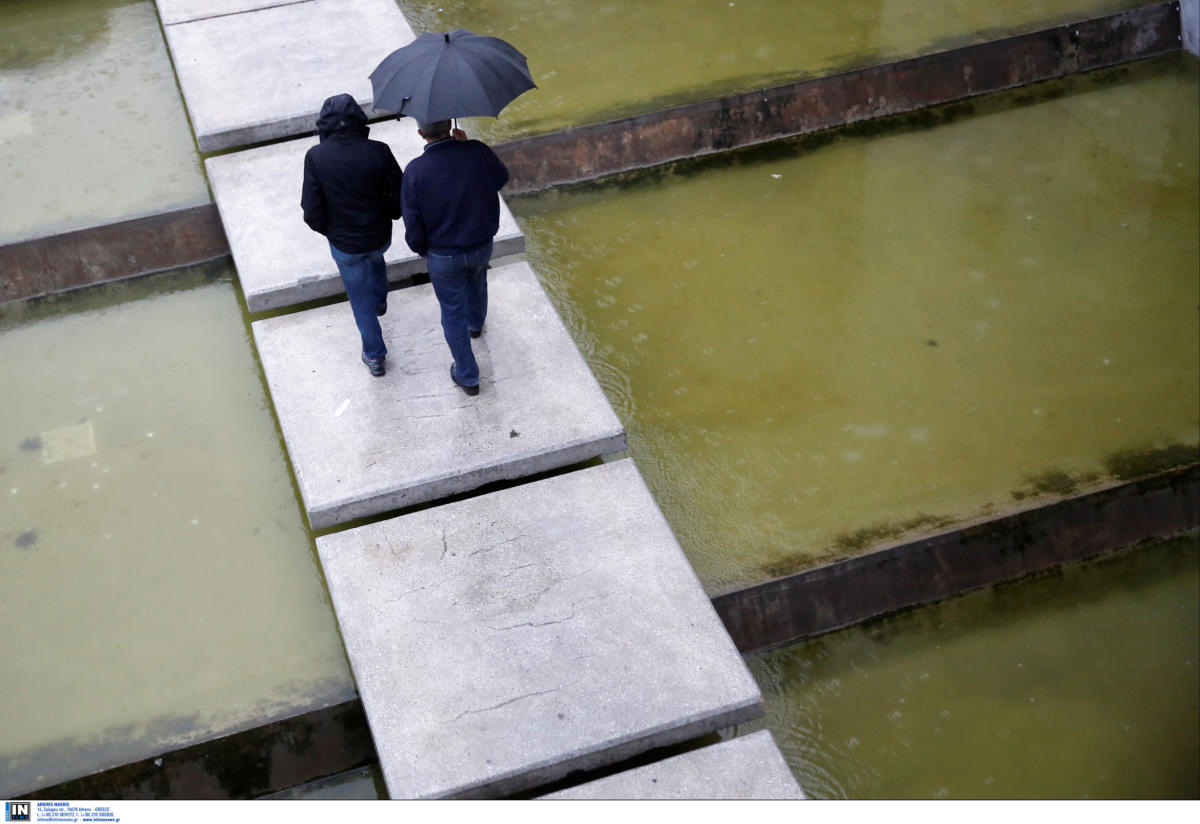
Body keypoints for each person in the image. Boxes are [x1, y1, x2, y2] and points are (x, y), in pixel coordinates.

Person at [401, 119, 509, 396]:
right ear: (450, 124)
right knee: (478, 280)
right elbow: (500, 178)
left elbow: (413, 224)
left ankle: (468, 374)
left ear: (421, 133)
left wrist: (420, 249)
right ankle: (476, 324)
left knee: (451, 312)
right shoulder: (476, 151)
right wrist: (468, 145)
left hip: (443, 254)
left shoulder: (415, 171)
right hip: (481, 241)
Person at [301, 93, 404, 377]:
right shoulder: (379, 151)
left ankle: (374, 355)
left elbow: (311, 209)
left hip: (345, 244)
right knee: (376, 260)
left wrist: (330, 231)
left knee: (359, 300)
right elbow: (398, 194)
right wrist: (391, 216)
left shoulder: (316, 157)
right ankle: (381, 299)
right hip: (378, 234)